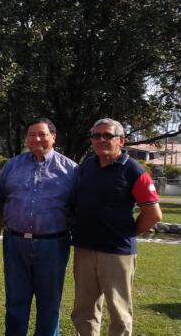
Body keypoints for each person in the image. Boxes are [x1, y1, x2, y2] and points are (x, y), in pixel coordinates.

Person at [71, 118, 161, 336]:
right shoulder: (87, 166)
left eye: (107, 136)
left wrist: (127, 232)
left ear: (121, 140)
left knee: (119, 314)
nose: (101, 140)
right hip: (85, 250)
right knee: (84, 310)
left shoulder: (134, 170)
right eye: (96, 136)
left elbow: (153, 214)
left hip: (117, 253)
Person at [0, 119, 78, 336]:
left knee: (50, 303)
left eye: (42, 134)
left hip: (53, 244)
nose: (36, 139)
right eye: (32, 134)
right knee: (15, 301)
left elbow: (79, 207)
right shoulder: (11, 166)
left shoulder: (71, 170)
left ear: (54, 136)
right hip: (15, 243)